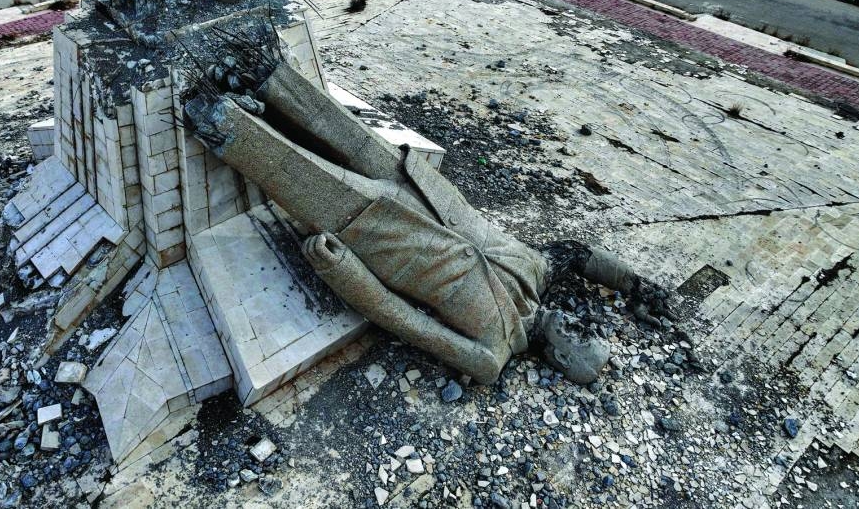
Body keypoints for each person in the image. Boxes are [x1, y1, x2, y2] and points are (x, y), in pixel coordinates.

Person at [182, 23, 672, 386]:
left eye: (579, 337)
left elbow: (407, 321)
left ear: (562, 361)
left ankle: (216, 115)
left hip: (384, 237)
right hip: (417, 183)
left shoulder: (490, 354)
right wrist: (634, 283)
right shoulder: (541, 272)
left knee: (297, 172)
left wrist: (346, 274)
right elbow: (575, 251)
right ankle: (258, 75)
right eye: (587, 326)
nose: (577, 323)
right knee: (337, 126)